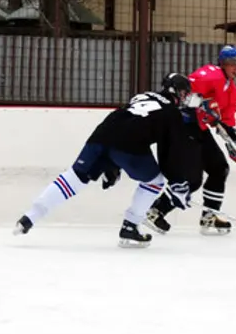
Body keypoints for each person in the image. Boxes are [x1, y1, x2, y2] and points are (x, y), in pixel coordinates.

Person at [14, 73, 203, 248]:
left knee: (75, 177)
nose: (186, 97)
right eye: (185, 93)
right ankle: (130, 226)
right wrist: (178, 183)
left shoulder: (143, 95)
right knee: (155, 182)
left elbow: (129, 123)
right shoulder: (172, 113)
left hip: (102, 134)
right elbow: (170, 151)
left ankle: (29, 217)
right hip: (129, 143)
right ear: (175, 91)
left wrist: (112, 165)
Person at [146, 45, 236, 236]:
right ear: (222, 64)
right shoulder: (209, 74)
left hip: (199, 128)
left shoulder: (232, 90)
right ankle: (155, 211)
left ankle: (209, 216)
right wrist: (199, 105)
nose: (235, 68)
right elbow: (181, 94)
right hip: (182, 127)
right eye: (231, 64)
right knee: (192, 179)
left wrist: (234, 141)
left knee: (219, 168)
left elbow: (226, 121)